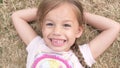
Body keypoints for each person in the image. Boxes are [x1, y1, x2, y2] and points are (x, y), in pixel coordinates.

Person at [11, 0, 120, 68]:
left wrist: (79, 15)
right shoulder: (36, 45)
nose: (57, 32)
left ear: (78, 31)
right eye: (49, 24)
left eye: (66, 25)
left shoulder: (83, 54)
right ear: (42, 27)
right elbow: (17, 16)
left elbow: (114, 27)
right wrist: (46, 10)